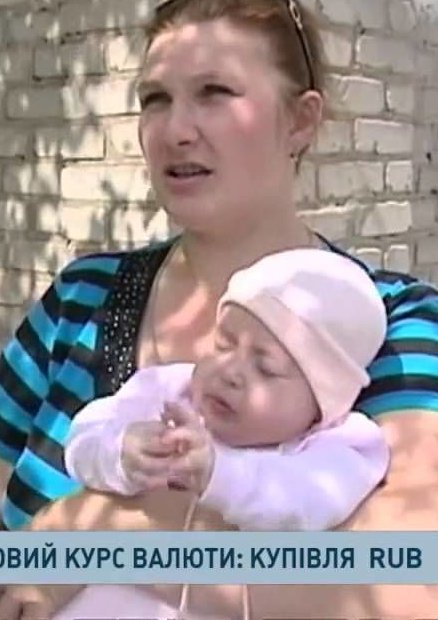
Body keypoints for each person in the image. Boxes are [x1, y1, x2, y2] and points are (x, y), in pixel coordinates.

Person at [0, 0, 438, 620]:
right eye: (155, 99)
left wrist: (99, 529)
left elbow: (423, 581)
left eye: (215, 93)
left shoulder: (391, 326)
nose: (176, 130)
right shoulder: (81, 302)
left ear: (300, 121)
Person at [54, 247, 391, 619]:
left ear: (324, 402)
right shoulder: (170, 390)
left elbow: (303, 506)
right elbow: (83, 436)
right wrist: (120, 450)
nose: (230, 371)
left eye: (266, 368)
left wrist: (220, 473)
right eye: (224, 344)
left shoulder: (338, 447)